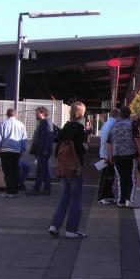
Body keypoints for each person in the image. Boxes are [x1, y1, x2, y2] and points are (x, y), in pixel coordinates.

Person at [49, 101, 88, 238]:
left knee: (64, 197)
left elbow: (57, 148)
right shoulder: (79, 129)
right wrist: (84, 149)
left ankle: (54, 225)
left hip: (62, 168)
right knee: (75, 199)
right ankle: (71, 230)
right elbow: (78, 149)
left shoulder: (65, 128)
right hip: (74, 168)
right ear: (81, 113)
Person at [107, 106, 139, 208]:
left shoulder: (114, 125)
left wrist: (110, 156)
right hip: (130, 155)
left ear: (120, 114)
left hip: (117, 156)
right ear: (129, 114)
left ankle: (120, 201)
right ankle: (129, 201)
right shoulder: (132, 124)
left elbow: (109, 143)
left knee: (121, 178)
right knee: (131, 178)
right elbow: (136, 139)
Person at [0, 108, 28, 198]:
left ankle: (9, 191)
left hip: (5, 151)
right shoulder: (21, 124)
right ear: (16, 114)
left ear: (7, 114)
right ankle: (15, 191)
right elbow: (24, 138)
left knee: (7, 172)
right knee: (15, 170)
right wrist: (22, 149)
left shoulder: (3, 124)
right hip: (16, 151)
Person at [28, 106, 54, 195]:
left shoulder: (46, 123)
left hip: (43, 150)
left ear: (42, 113)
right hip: (42, 150)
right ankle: (46, 188)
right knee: (45, 170)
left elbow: (49, 137)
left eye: (37, 112)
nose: (36, 114)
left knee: (40, 170)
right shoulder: (43, 122)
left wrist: (46, 149)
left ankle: (36, 188)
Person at [97, 108, 119, 205]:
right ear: (117, 116)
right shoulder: (113, 125)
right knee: (108, 177)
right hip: (108, 155)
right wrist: (109, 156)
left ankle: (106, 196)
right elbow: (108, 141)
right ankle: (103, 197)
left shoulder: (106, 124)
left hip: (104, 153)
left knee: (104, 176)